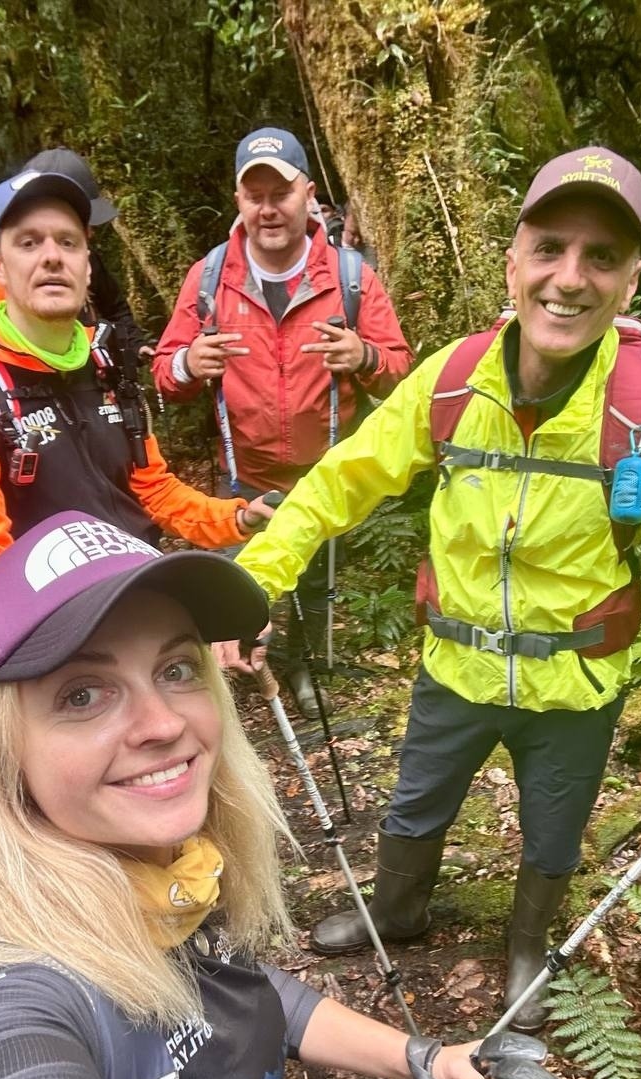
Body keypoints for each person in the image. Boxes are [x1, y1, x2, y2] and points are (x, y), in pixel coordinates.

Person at [229, 146, 641, 1030]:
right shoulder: (454, 380)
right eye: (550, 249)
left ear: (630, 281)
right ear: (513, 262)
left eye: (600, 257)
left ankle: (528, 945)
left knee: (554, 830)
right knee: (417, 801)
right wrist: (252, 584)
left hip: (575, 687)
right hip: (454, 670)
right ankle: (398, 909)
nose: (569, 278)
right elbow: (340, 482)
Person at [0, 509, 521, 1079]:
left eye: (177, 668)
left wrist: (421, 1057)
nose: (163, 723)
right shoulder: (10, 998)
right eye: (83, 694)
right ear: (2, 754)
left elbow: (238, 988)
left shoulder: (165, 873)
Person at [153, 127, 413, 715]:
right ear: (238, 201)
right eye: (255, 196)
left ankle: (305, 668)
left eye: (281, 193)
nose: (268, 209)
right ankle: (231, 679)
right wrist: (190, 363)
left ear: (309, 195)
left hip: (325, 473)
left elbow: (400, 373)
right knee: (237, 583)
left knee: (315, 583)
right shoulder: (210, 279)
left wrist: (363, 357)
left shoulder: (349, 278)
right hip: (242, 476)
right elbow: (166, 374)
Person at [0, 167, 275, 589]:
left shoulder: (108, 364)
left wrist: (237, 517)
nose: (52, 256)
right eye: (29, 242)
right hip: (51, 613)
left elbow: (153, 489)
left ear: (87, 265)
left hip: (141, 585)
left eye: (68, 242)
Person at [0, 146, 151, 360]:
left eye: (68, 236)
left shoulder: (85, 259)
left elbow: (115, 307)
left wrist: (135, 344)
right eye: (30, 242)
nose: (53, 256)